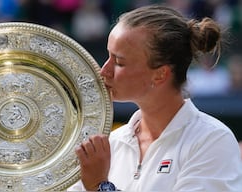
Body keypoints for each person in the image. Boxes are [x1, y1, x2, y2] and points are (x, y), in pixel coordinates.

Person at [68, 4, 242, 191]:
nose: (104, 71)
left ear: (160, 74)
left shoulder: (212, 140)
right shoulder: (111, 143)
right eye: (108, 56)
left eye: (119, 62)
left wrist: (100, 186)